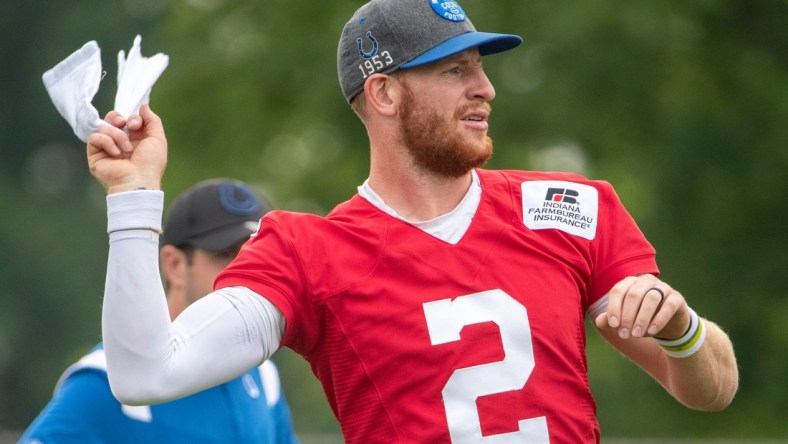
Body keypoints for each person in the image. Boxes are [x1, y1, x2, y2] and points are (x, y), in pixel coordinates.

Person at [84, 0, 739, 442]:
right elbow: (146, 374)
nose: (485, 89)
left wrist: (682, 329)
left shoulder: (570, 208)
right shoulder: (306, 252)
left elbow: (716, 388)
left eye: (481, 68)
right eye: (456, 70)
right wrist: (136, 195)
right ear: (385, 92)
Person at [20, 179, 300, 444]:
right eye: (226, 255)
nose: (246, 271)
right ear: (175, 265)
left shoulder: (264, 378)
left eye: (255, 255)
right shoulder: (104, 381)